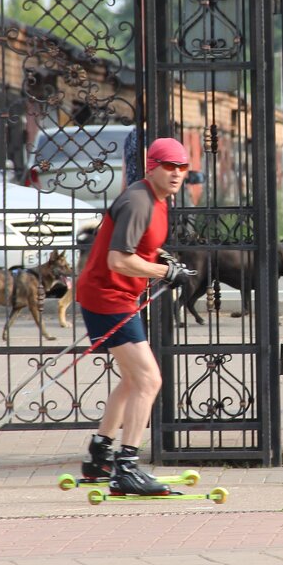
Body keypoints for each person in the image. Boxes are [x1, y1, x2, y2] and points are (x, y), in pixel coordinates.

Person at [74, 137, 195, 495]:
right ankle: (127, 467)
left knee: (132, 381)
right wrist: (163, 273)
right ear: (151, 167)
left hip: (117, 296)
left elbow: (144, 245)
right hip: (107, 298)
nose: (175, 173)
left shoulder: (157, 200)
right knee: (148, 381)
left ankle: (99, 455)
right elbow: (118, 260)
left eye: (181, 167)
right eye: (168, 166)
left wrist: (163, 260)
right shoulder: (138, 201)